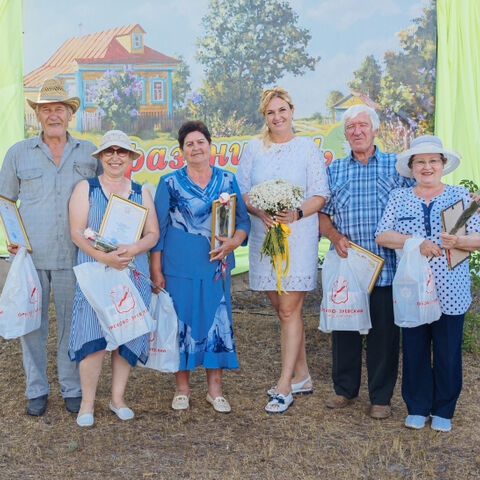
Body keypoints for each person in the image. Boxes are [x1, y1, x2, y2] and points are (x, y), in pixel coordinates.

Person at [0, 78, 101, 416]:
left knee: (73, 324)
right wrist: (12, 239)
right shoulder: (18, 153)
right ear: (38, 115)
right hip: (31, 256)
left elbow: (103, 198)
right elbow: (5, 201)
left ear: (70, 114)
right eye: (47, 109)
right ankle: (36, 389)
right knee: (32, 325)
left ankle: (72, 387)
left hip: (75, 255)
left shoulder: (89, 152)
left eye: (60, 109)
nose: (53, 115)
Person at [375, 135, 480, 432]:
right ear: (411, 167)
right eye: (420, 161)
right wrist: (415, 243)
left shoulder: (461, 197)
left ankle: (444, 408)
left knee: (447, 350)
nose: (427, 166)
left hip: (451, 289)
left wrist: (459, 240)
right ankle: (418, 406)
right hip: (412, 287)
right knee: (415, 348)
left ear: (443, 164)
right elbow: (383, 235)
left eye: (433, 160)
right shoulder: (400, 197)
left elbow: (478, 238)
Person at [236, 87, 330, 413]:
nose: (277, 117)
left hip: (298, 237)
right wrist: (260, 211)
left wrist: (297, 213)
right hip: (265, 238)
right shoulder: (253, 148)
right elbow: (243, 190)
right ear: (265, 117)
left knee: (290, 311)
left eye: (282, 110)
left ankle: (285, 385)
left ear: (292, 110)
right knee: (283, 311)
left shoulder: (307, 149)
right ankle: (302, 375)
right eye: (270, 113)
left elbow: (320, 193)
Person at [318, 104, 414, 419]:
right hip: (348, 266)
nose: (357, 131)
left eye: (362, 125)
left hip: (387, 268)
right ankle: (344, 389)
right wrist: (334, 236)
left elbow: (415, 205)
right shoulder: (334, 170)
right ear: (345, 134)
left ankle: (381, 397)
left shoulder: (397, 167)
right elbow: (321, 214)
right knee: (344, 329)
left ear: (374, 129)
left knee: (384, 334)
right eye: (350, 127)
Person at [149, 120, 250, 413]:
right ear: (182, 151)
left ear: (209, 146)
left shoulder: (228, 181)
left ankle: (214, 390)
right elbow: (158, 229)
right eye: (189, 144)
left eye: (200, 142)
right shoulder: (168, 182)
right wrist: (156, 268)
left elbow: (242, 221)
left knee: (215, 322)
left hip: (215, 267)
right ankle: (182, 389)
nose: (196, 148)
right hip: (178, 267)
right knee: (181, 324)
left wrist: (234, 242)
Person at [68, 130, 159, 427]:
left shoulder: (141, 191)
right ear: (101, 157)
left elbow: (153, 234)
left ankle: (117, 399)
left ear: (131, 158)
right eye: (109, 151)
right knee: (92, 337)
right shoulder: (86, 188)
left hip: (132, 275)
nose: (116, 157)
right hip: (95, 274)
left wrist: (132, 249)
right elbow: (77, 232)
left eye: (122, 152)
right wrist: (104, 257)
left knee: (128, 333)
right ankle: (87, 404)